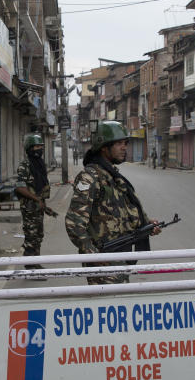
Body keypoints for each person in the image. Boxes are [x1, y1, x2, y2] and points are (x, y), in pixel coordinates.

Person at [65, 121, 159, 285]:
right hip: (104, 259)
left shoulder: (112, 176)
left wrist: (145, 224)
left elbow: (119, 212)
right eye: (118, 143)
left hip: (120, 255)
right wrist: (92, 254)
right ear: (104, 147)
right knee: (107, 305)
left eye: (125, 143)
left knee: (119, 303)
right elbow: (74, 222)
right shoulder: (91, 177)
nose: (124, 147)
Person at [15, 133, 51, 269]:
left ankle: (35, 263)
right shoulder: (25, 166)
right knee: (31, 236)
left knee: (38, 235)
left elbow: (41, 188)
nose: (39, 149)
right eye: (36, 146)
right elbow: (20, 188)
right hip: (30, 207)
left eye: (41, 146)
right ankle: (30, 266)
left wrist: (45, 206)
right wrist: (37, 199)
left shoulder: (40, 165)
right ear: (29, 148)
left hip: (38, 206)